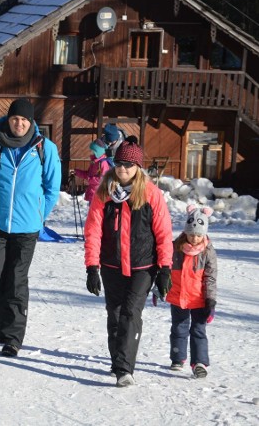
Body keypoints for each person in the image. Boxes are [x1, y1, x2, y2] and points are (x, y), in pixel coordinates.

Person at [83, 136, 173, 387]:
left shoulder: (151, 194)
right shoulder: (105, 192)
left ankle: (125, 368)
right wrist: (92, 267)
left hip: (142, 266)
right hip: (111, 264)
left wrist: (165, 268)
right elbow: (93, 231)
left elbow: (164, 233)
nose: (123, 169)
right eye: (119, 163)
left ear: (138, 167)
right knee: (115, 314)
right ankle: (117, 361)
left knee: (131, 313)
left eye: (129, 165)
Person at [0, 98, 61, 357]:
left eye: (24, 120)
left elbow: (52, 187)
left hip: (27, 228)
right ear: (8, 119)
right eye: (15, 118)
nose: (19, 123)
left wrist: (38, 215)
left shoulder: (44, 148)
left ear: (31, 122)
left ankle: (13, 337)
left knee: (16, 280)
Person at [165, 205, 217, 379]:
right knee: (179, 328)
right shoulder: (175, 248)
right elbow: (163, 269)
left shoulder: (208, 252)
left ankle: (200, 363)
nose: (195, 238)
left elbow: (210, 278)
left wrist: (210, 301)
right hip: (178, 296)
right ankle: (178, 358)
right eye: (192, 233)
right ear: (186, 231)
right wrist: (159, 287)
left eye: (199, 234)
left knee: (198, 330)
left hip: (199, 298)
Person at [72, 138, 112, 202]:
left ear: (98, 152)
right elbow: (88, 174)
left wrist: (89, 179)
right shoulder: (94, 162)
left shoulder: (103, 163)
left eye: (93, 151)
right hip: (92, 194)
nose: (91, 152)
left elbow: (103, 179)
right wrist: (76, 172)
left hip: (99, 195)